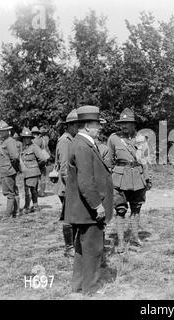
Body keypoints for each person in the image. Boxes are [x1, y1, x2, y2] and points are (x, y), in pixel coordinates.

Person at [64, 105, 113, 295]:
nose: (99, 128)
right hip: (89, 209)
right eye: (96, 124)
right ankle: (90, 288)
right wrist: (97, 205)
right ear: (86, 126)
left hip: (83, 209)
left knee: (81, 249)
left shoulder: (81, 143)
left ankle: (78, 285)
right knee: (93, 248)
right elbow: (85, 182)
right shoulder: (82, 146)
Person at [106, 108, 152, 253]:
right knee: (120, 210)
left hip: (138, 177)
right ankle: (120, 242)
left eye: (127, 123)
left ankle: (135, 238)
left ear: (133, 124)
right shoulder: (113, 138)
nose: (124, 126)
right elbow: (109, 160)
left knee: (136, 208)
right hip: (119, 179)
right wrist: (109, 178)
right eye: (122, 123)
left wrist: (147, 178)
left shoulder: (141, 139)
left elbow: (144, 160)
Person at [55, 109, 78, 257]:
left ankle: (73, 245)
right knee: (69, 217)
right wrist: (72, 187)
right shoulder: (65, 141)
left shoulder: (72, 139)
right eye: (77, 125)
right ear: (70, 125)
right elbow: (64, 168)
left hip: (71, 185)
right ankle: (69, 248)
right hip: (67, 186)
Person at [0, 120, 20, 218]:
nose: (0, 133)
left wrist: (12, 168)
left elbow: (14, 157)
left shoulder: (10, 141)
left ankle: (7, 216)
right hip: (6, 171)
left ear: (7, 131)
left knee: (10, 193)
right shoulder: (4, 141)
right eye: (0, 131)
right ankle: (16, 213)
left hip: (8, 171)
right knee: (13, 191)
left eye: (3, 131)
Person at [20, 127, 46, 214]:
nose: (26, 139)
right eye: (24, 138)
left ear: (31, 138)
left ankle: (27, 207)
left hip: (33, 172)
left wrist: (35, 166)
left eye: (28, 138)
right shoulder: (24, 148)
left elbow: (42, 158)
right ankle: (35, 206)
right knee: (32, 190)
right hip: (26, 173)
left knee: (29, 190)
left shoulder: (34, 147)